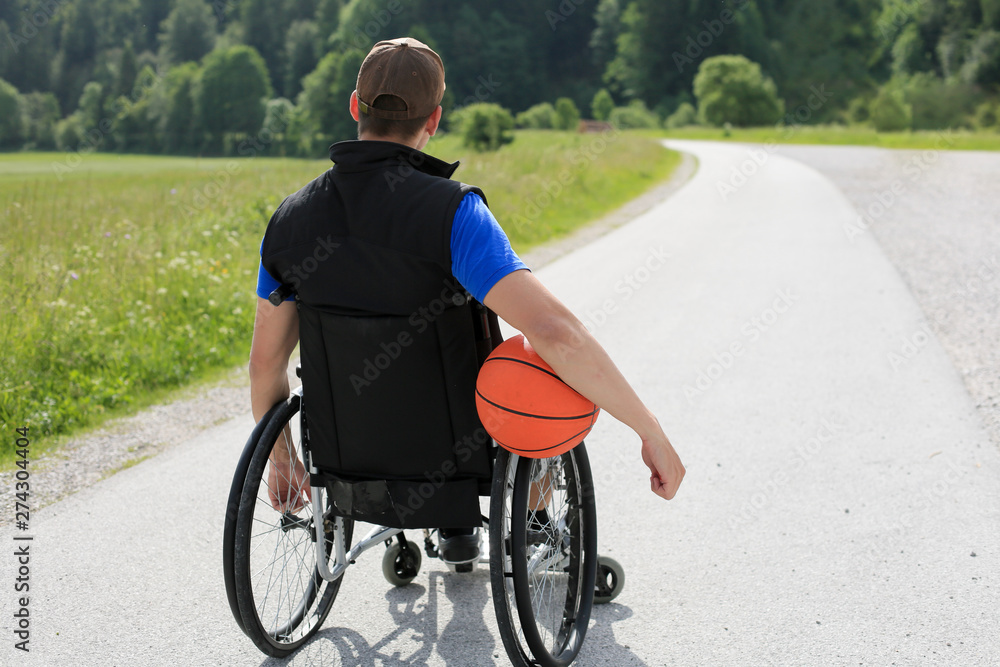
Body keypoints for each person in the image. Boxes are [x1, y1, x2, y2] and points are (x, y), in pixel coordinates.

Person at [249, 37, 684, 564]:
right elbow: (558, 335)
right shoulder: (454, 214)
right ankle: (531, 522)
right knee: (533, 362)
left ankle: (454, 528)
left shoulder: (289, 222)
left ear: (353, 106)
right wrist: (648, 429)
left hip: (343, 452)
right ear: (434, 120)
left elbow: (264, 365)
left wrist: (281, 460)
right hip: (461, 449)